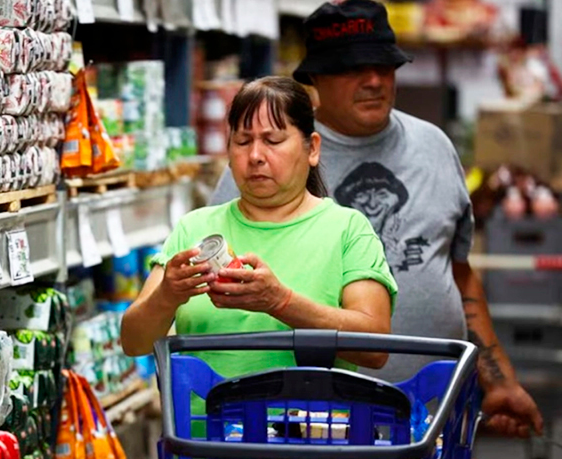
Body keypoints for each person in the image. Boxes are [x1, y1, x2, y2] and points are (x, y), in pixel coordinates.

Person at [207, 0, 543, 438]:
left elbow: (457, 274)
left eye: (385, 66)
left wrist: (497, 378)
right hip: (312, 422)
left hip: (431, 412)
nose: (373, 81)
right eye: (353, 68)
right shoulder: (265, 160)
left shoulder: (434, 148)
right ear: (315, 80)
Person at [121, 76, 398, 386]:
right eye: (242, 141)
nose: (255, 155)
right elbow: (134, 343)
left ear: (312, 148)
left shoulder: (347, 229)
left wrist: (279, 302)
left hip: (312, 429)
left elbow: (375, 348)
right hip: (202, 432)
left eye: (273, 140)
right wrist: (166, 296)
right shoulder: (195, 228)